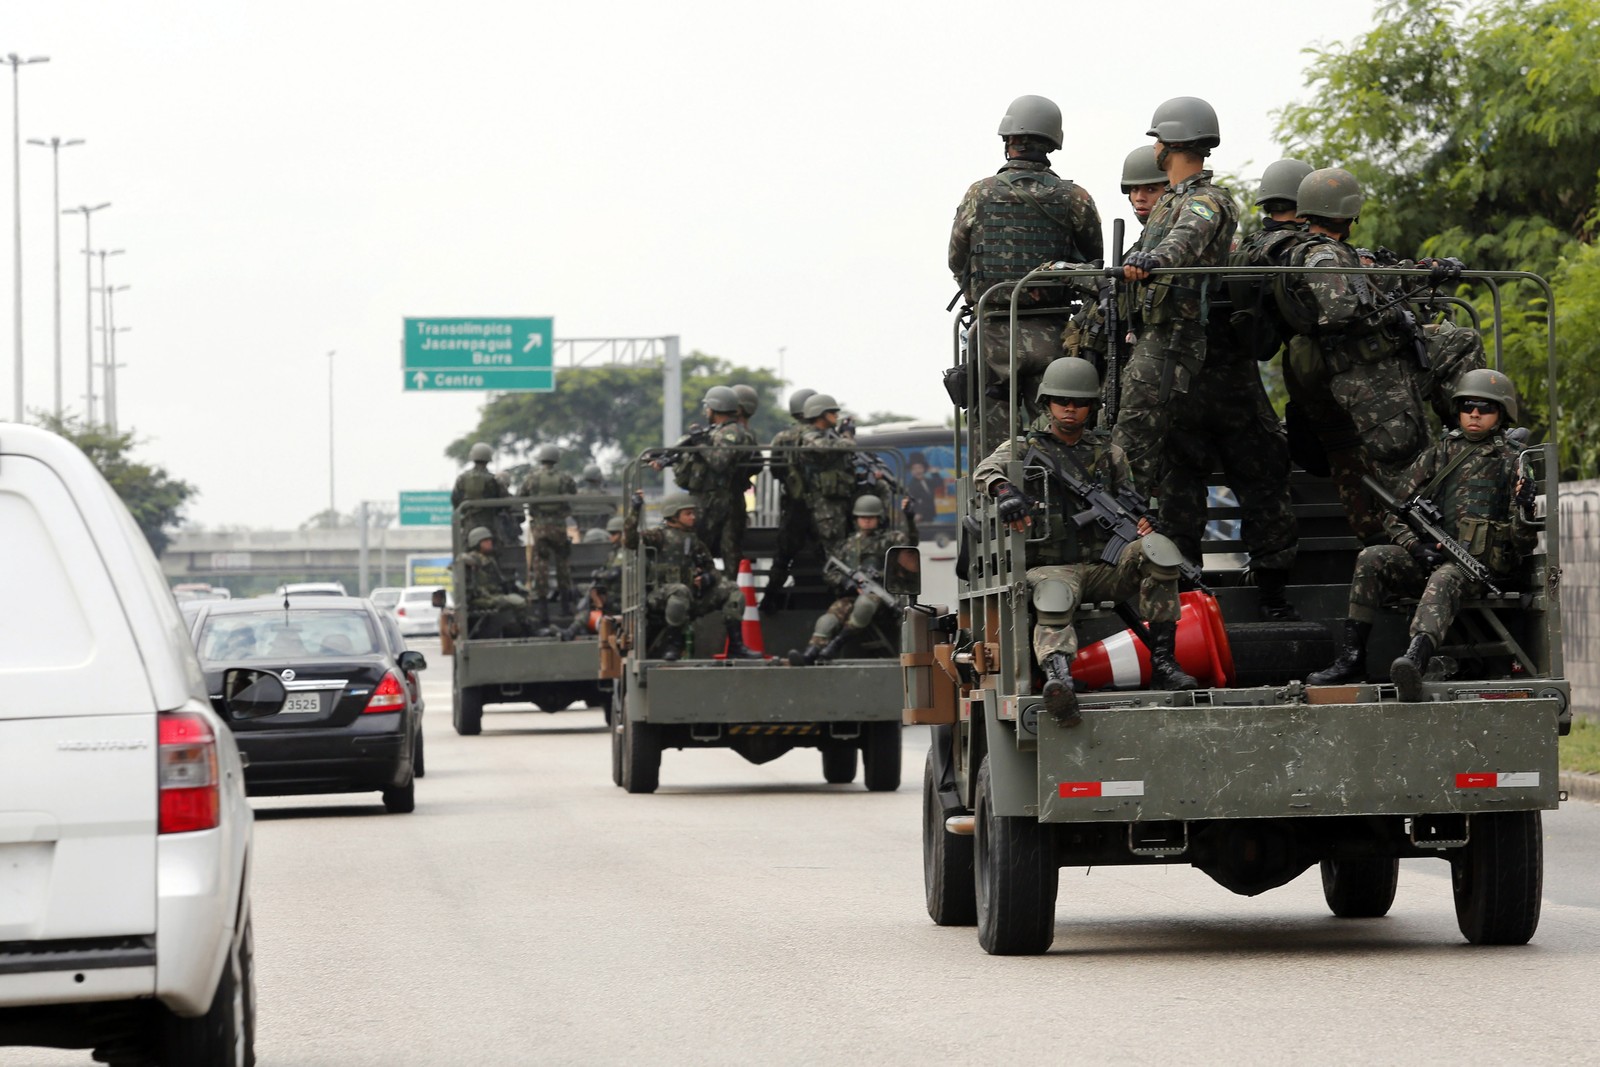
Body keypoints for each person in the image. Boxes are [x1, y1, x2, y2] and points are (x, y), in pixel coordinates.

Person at [972, 358, 1196, 726]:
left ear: (1092, 406)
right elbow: (986, 470)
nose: (1070, 408)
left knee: (1158, 551)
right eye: (1062, 400)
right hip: (1049, 569)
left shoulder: (1109, 454)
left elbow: (1129, 499)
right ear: (1047, 403)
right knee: (1055, 594)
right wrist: (1005, 490)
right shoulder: (1024, 446)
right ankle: (1060, 680)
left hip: (1103, 568)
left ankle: (1163, 662)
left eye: (1079, 402)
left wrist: (1144, 522)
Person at [1307, 369, 1537, 701]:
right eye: (1468, 405)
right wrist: (1415, 546)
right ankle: (1352, 657)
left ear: (1500, 413)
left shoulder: (1512, 461)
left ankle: (1415, 660)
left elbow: (1524, 541)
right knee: (1372, 558)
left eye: (1485, 408)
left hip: (1478, 566)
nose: (1474, 413)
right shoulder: (1441, 452)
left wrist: (1524, 508)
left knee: (1445, 578)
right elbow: (1395, 508)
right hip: (1435, 557)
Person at [1271, 167, 1468, 543]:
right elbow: (1341, 310)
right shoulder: (1321, 257)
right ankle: (1408, 549)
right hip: (1363, 377)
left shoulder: (1337, 253)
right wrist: (1393, 312)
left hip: (1376, 372)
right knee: (1403, 461)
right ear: (1346, 213)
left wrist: (1427, 272)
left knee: (1457, 344)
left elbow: (1374, 281)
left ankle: (1465, 438)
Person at [1156, 159, 1306, 619]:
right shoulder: (1243, 252)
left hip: (1225, 395)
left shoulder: (1249, 252)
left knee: (1260, 490)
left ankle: (1270, 595)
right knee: (1187, 500)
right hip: (1207, 396)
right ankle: (1204, 600)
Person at [949, 94, 1104, 449]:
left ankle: (998, 497)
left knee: (991, 443)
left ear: (1008, 142)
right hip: (1056, 334)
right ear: (1052, 142)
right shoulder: (1074, 198)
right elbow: (1092, 263)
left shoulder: (979, 194)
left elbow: (957, 259)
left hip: (992, 337)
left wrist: (981, 295)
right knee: (1054, 441)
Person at [1113, 96, 1239, 501]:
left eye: (1157, 139)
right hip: (1154, 336)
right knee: (1132, 440)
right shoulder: (1172, 199)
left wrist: (1153, 260)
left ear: (1173, 142)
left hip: (1172, 339)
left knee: (1132, 446)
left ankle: (1126, 537)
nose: (1154, 148)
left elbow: (1184, 242)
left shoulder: (1205, 201)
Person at [623, 492, 760, 661]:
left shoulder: (693, 541)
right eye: (688, 513)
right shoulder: (658, 536)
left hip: (689, 596)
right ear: (673, 515)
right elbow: (630, 541)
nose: (693, 517)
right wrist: (635, 510)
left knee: (732, 590)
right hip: (660, 598)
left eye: (693, 513)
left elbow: (712, 569)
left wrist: (708, 579)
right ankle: (674, 645)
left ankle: (736, 646)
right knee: (679, 591)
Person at [794, 495, 918, 664]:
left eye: (871, 517)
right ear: (856, 519)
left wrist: (909, 520)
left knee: (864, 605)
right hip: (852, 595)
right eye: (863, 517)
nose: (867, 521)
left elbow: (909, 547)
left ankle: (836, 645)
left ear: (879, 518)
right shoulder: (847, 545)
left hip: (881, 596)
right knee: (827, 620)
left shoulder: (890, 539)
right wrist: (846, 582)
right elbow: (831, 572)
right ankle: (810, 653)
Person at [658, 385, 758, 573]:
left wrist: (701, 444)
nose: (706, 412)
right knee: (703, 548)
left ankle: (724, 589)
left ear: (715, 408)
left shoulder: (731, 432)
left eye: (708, 407)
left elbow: (719, 461)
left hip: (717, 500)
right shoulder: (717, 430)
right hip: (713, 499)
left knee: (717, 548)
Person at [762, 387, 819, 613]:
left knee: (783, 555)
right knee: (829, 554)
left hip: (793, 505)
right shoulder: (823, 437)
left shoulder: (783, 437)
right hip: (822, 507)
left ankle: (769, 599)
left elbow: (775, 470)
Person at [791, 393, 860, 546]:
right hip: (824, 504)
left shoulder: (828, 434)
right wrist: (847, 435)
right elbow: (829, 447)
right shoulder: (810, 435)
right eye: (832, 412)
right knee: (834, 549)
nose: (836, 416)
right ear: (819, 414)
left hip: (835, 501)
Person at [519, 444, 577, 607]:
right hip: (559, 527)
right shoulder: (564, 477)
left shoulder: (532, 478)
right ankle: (565, 606)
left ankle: (543, 608)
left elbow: (521, 495)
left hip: (539, 528)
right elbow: (573, 491)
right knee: (562, 564)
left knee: (540, 565)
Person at [458, 526, 532, 639]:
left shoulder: (489, 559)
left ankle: (521, 628)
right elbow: (462, 561)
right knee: (519, 602)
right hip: (482, 598)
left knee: (523, 597)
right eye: (486, 541)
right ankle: (528, 632)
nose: (490, 543)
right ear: (477, 543)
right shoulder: (474, 559)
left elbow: (498, 580)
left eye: (490, 540)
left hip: (492, 595)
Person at [563, 514, 626, 639]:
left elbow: (614, 573)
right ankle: (573, 616)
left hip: (618, 595)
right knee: (577, 590)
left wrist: (598, 574)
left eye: (614, 534)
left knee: (589, 609)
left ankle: (571, 632)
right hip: (610, 590)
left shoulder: (624, 552)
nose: (611, 537)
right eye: (611, 533)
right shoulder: (614, 552)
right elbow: (607, 568)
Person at [451, 442, 514, 545]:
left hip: (469, 523)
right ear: (489, 458)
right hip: (489, 524)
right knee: (495, 550)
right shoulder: (494, 480)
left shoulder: (461, 479)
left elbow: (455, 500)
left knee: (466, 549)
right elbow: (506, 502)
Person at [574, 463, 612, 531]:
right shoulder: (606, 495)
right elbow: (612, 513)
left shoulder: (578, 494)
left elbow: (574, 514)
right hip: (602, 531)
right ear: (598, 476)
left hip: (583, 530)